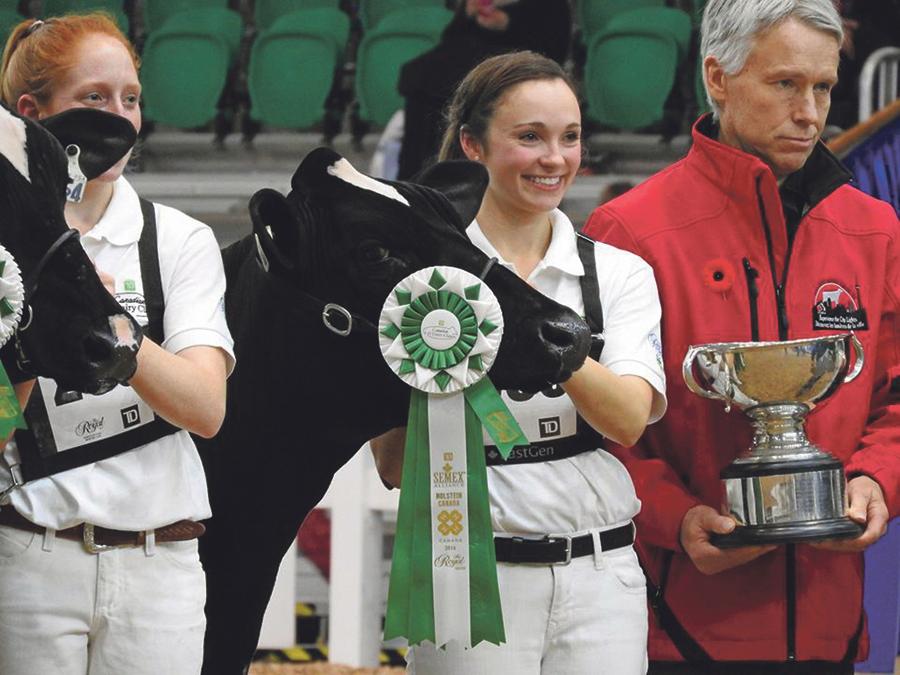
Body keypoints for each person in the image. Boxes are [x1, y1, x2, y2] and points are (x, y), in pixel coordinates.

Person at [582, 1, 899, 673]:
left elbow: (895, 400)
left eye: (823, 87)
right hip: (679, 632)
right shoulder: (628, 232)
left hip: (833, 635)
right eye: (785, 83)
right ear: (718, 78)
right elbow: (599, 431)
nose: (810, 111)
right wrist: (674, 517)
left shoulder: (874, 230)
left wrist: (878, 479)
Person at [373, 50, 667, 674]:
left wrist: (555, 350)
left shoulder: (617, 274)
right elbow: (395, 464)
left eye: (570, 137)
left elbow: (629, 421)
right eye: (529, 137)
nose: (554, 159)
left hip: (602, 577)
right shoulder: (418, 288)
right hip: (467, 574)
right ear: (472, 145)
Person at [0, 14, 234, 675]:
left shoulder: (177, 239)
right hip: (28, 554)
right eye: (94, 99)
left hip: (161, 562)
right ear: (32, 112)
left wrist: (109, 327)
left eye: (130, 98)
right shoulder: (1, 253)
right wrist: (27, 336)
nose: (120, 117)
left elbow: (206, 408)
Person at [395, 0, 572, 180]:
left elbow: (551, 52)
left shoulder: (550, 5)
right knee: (423, 77)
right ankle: (415, 177)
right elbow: (451, 38)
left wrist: (506, 25)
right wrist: (469, 15)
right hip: (460, 64)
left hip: (509, 67)